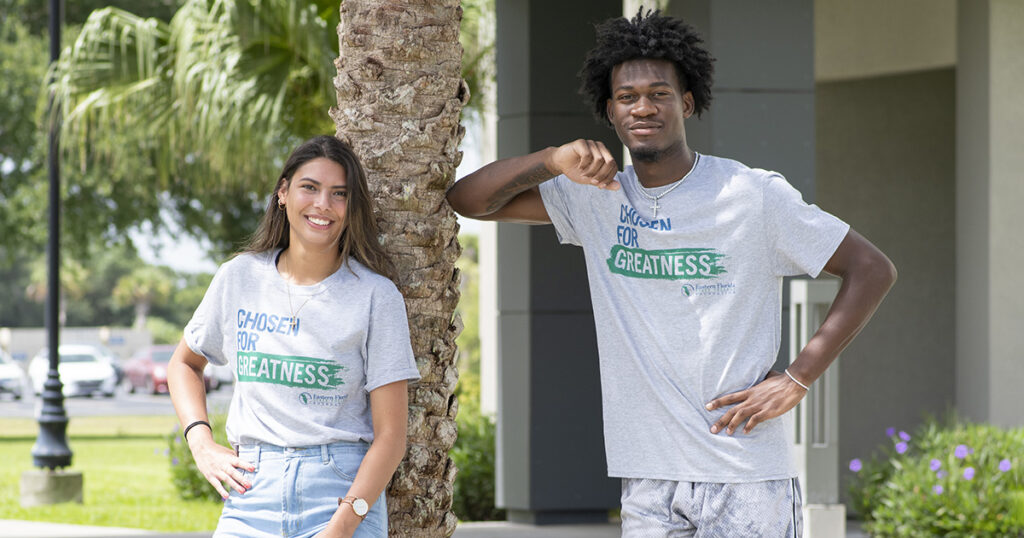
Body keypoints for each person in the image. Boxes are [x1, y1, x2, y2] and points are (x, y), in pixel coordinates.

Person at [447, 10, 897, 537]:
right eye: (627, 96)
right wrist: (551, 157)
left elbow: (871, 268)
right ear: (609, 110)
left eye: (659, 93)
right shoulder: (593, 198)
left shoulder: (751, 195)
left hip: (744, 475)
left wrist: (798, 378)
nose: (643, 106)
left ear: (686, 103)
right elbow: (467, 201)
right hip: (648, 477)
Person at [168, 135, 420, 538]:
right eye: (310, 187)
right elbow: (184, 363)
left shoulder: (375, 296)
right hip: (252, 491)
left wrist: (341, 526)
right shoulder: (239, 277)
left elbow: (390, 438)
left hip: (341, 490)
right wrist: (200, 442)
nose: (323, 204)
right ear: (283, 192)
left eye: (339, 194)